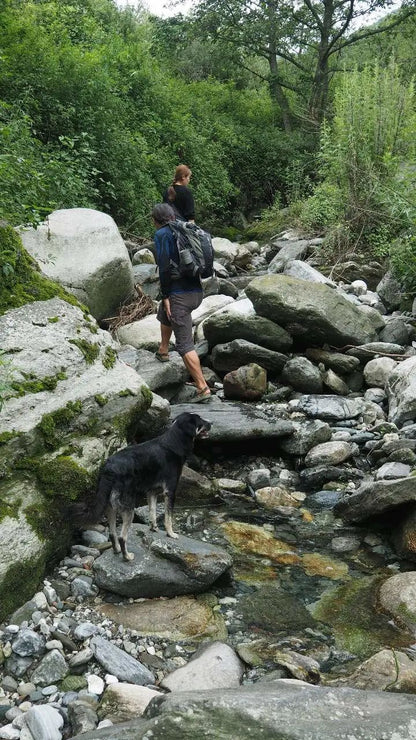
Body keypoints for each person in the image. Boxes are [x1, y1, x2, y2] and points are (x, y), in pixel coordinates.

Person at [152, 203, 211, 403]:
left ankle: (202, 387)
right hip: (196, 292)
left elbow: (164, 267)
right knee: (165, 311)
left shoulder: (162, 235)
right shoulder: (185, 230)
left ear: (156, 220)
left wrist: (166, 294)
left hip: (180, 297)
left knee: (185, 344)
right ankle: (163, 350)